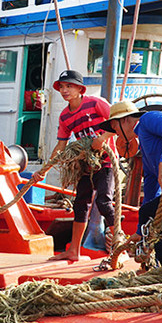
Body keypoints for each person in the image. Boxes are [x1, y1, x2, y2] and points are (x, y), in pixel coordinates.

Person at [97, 100, 162, 268]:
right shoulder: (145, 149)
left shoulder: (148, 118)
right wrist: (140, 231)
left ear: (124, 121)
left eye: (115, 128)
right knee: (148, 213)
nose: (116, 134)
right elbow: (152, 188)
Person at [33, 70, 115, 261]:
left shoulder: (95, 103)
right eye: (62, 87)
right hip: (86, 163)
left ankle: (122, 243)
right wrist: (44, 171)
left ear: (80, 88)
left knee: (103, 201)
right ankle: (74, 251)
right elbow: (61, 146)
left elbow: (118, 121)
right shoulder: (64, 117)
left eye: (69, 86)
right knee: (80, 205)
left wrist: (102, 138)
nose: (64, 90)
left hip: (106, 161)